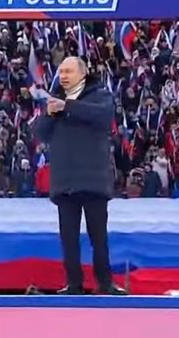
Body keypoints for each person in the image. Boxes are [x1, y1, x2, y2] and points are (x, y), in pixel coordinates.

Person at [34, 56, 126, 295]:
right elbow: (40, 133)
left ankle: (105, 283)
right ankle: (74, 284)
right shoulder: (55, 100)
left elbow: (103, 117)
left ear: (82, 74)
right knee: (68, 239)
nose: (63, 75)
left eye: (69, 71)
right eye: (61, 71)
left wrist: (68, 107)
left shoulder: (100, 95)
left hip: (93, 179)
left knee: (98, 237)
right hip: (64, 181)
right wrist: (50, 113)